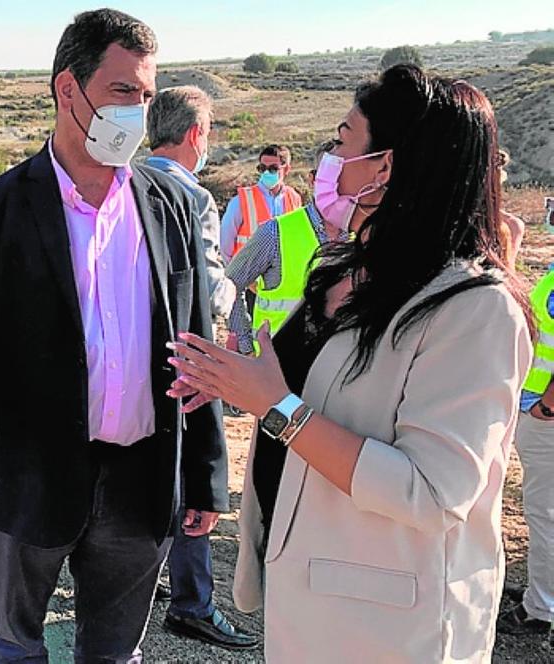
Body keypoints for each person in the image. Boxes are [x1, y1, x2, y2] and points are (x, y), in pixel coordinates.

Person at [168, 65, 533, 661]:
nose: (329, 158)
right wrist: (233, 374)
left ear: (387, 166)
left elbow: (433, 491)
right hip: (308, 586)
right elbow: (319, 392)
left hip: (389, 626)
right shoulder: (344, 268)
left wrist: (277, 406)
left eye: (342, 141)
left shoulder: (477, 310)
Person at [0, 9, 229, 662]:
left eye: (146, 97)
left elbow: (197, 343)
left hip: (141, 482)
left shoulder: (171, 205)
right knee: (15, 646)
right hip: (27, 479)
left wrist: (203, 476)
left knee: (116, 656)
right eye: (123, 92)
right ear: (69, 90)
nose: (138, 113)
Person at [142, 86, 255, 651]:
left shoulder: (124, 184)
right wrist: (234, 287)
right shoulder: (193, 198)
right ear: (194, 136)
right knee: (191, 481)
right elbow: (209, 291)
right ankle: (193, 603)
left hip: (128, 361)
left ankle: (152, 582)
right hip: (183, 361)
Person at [224, 141, 347, 357]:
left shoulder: (362, 236)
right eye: (263, 168)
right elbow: (230, 280)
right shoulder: (272, 230)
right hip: (278, 364)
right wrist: (246, 347)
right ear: (313, 179)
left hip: (334, 366)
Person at [498, 264, 554, 637]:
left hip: (546, 415)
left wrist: (547, 406)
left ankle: (541, 609)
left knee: (545, 513)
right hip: (539, 409)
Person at [220, 144, 303, 262]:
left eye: (273, 169)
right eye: (262, 168)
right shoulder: (241, 200)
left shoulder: (294, 198)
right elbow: (225, 245)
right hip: (248, 277)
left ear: (287, 169)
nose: (267, 173)